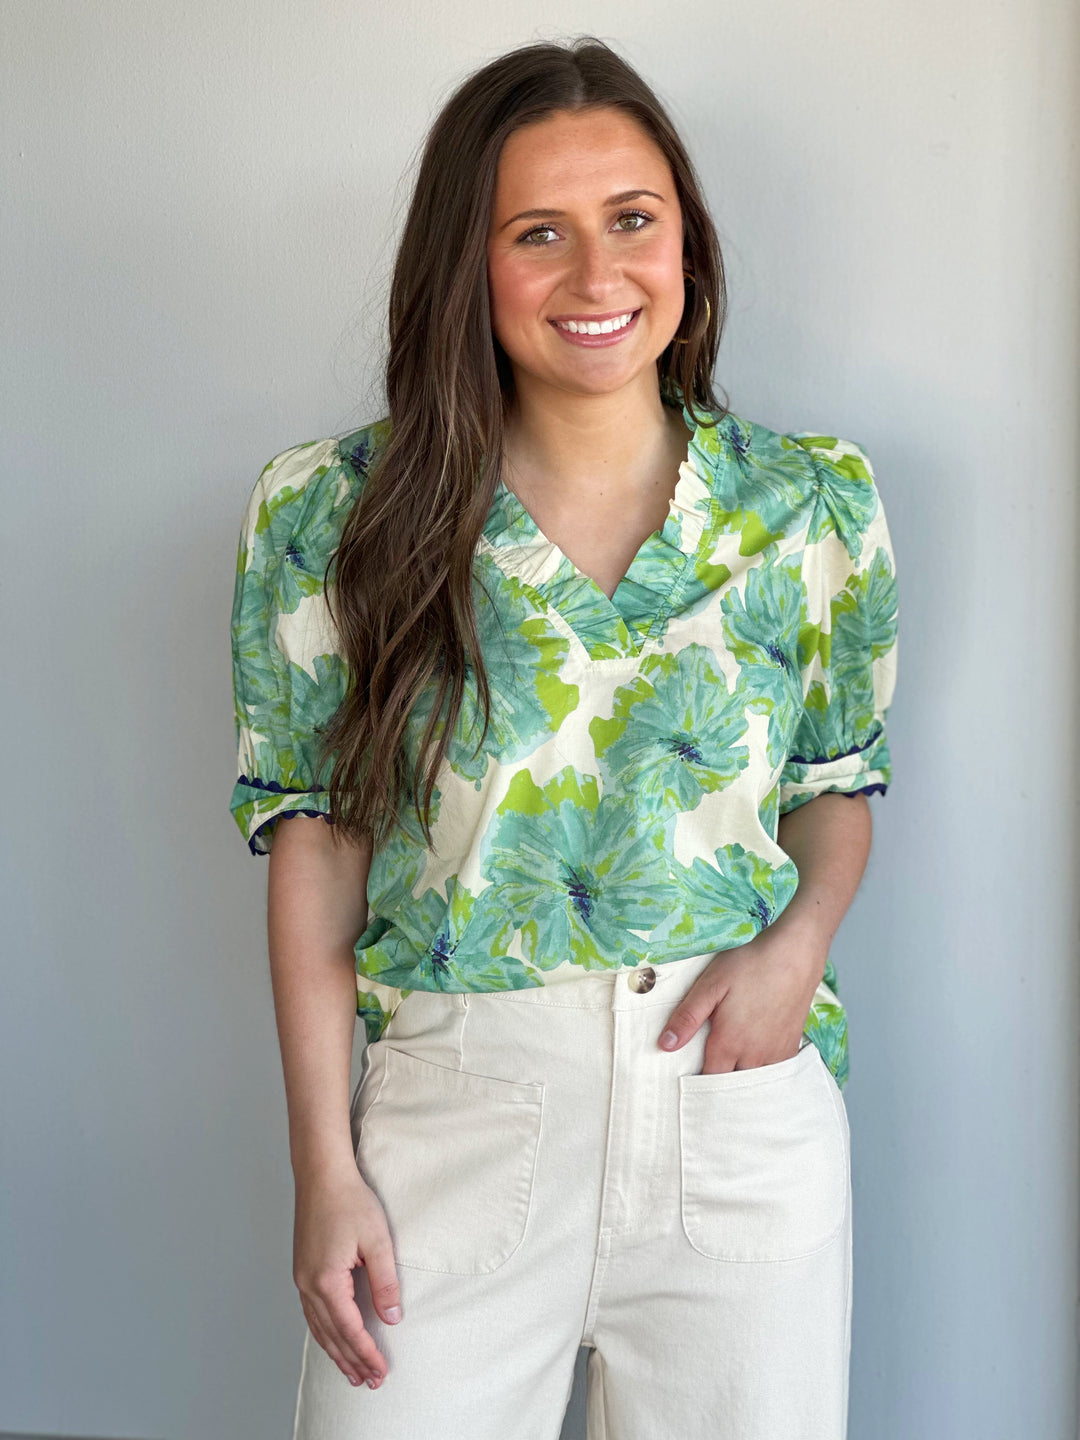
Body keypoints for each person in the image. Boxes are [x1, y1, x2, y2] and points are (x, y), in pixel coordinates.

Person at [228, 35, 898, 1440]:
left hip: (734, 1109)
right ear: (466, 265)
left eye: (632, 221)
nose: (599, 279)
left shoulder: (812, 504)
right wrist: (324, 1167)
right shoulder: (333, 515)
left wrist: (800, 944)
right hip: (457, 1114)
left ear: (688, 244)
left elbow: (837, 786)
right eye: (539, 234)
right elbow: (313, 846)